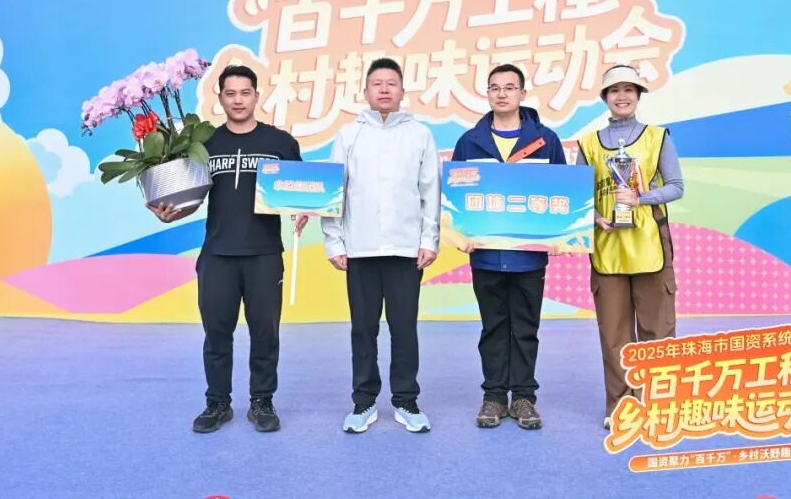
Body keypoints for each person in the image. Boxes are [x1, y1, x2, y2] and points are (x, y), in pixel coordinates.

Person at [148, 64, 307, 434]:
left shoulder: (280, 143)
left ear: (256, 96)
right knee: (216, 334)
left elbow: (300, 191)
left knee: (265, 333)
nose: (238, 100)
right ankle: (217, 403)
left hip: (264, 254)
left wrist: (304, 210)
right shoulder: (204, 145)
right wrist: (171, 212)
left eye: (245, 93)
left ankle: (261, 401)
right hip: (217, 254)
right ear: (219, 98)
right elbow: (191, 198)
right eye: (230, 93)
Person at [321, 57, 441, 434]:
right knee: (363, 329)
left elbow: (430, 191)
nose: (385, 89)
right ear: (366, 91)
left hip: (406, 250)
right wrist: (334, 241)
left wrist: (429, 239)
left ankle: (406, 400)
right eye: (377, 83)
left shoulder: (419, 134)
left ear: (403, 91)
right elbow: (335, 191)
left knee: (404, 329)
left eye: (392, 83)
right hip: (360, 249)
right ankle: (364, 402)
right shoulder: (348, 135)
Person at [450, 63, 568, 430]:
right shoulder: (469, 142)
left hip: (529, 257)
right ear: (487, 94)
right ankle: (494, 397)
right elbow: (456, 196)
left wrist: (560, 235)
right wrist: (461, 232)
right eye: (495, 88)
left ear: (522, 94)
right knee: (493, 328)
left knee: (526, 328)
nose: (502, 94)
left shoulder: (546, 140)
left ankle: (524, 399)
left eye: (509, 87)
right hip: (485, 255)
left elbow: (562, 193)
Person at [575, 64, 684, 430]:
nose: (621, 96)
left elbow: (676, 186)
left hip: (651, 245)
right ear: (604, 97)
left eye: (628, 90)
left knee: (658, 331)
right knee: (614, 334)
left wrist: (640, 198)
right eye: (614, 90)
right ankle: (621, 407)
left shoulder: (658, 137)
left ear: (638, 96)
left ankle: (658, 406)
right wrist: (595, 218)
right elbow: (578, 197)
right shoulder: (588, 144)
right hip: (607, 249)